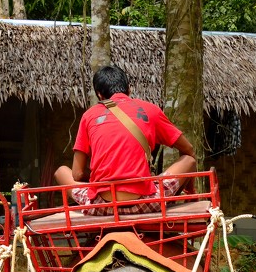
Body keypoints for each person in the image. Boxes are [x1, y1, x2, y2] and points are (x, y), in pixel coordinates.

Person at [54, 65, 196, 213]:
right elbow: (189, 150)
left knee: (61, 171)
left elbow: (77, 174)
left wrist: (101, 181)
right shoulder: (150, 110)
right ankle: (179, 200)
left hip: (100, 206)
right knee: (189, 160)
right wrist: (188, 187)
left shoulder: (88, 116)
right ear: (129, 89)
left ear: (99, 95)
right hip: (145, 203)